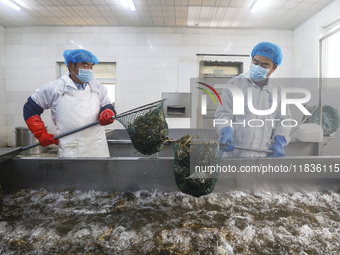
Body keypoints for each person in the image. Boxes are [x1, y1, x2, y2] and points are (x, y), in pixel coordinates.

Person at [23, 49, 116, 157]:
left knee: (99, 174)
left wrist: (107, 112)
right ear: (71, 66)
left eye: (91, 66)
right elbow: (30, 108)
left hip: (97, 147)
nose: (89, 70)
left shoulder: (98, 87)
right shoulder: (55, 88)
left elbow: (106, 105)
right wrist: (41, 133)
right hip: (71, 149)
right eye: (85, 65)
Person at [215, 42, 291, 157]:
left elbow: (284, 120)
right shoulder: (235, 84)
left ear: (274, 68)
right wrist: (226, 130)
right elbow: (224, 114)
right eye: (255, 62)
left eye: (264, 65)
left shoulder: (277, 90)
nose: (258, 67)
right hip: (232, 154)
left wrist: (280, 141)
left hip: (261, 155)